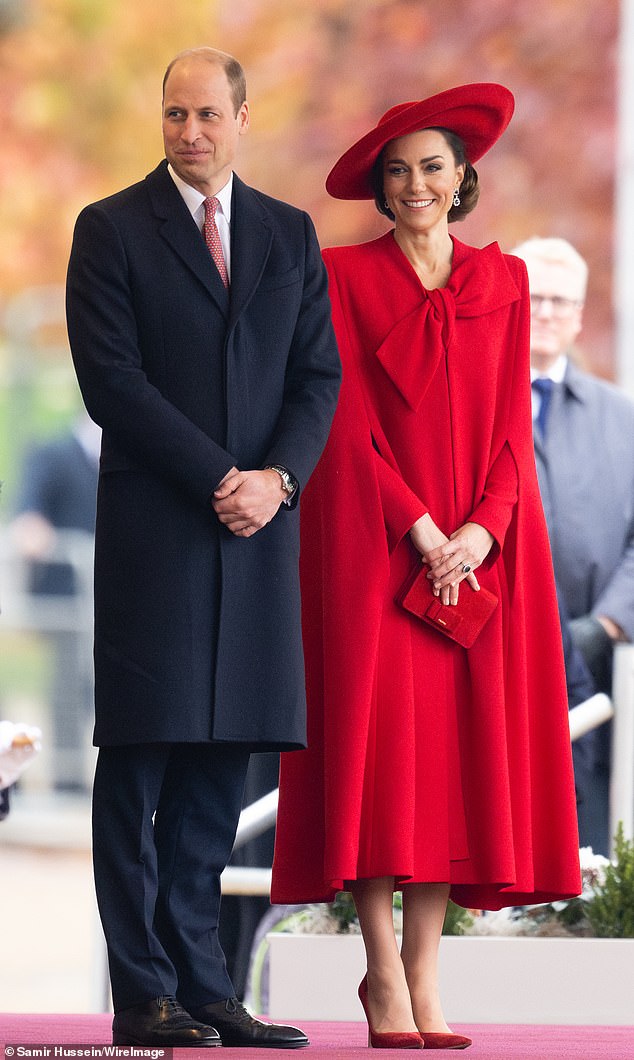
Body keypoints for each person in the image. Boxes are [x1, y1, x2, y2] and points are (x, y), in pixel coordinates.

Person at [271, 85, 581, 1050]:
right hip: (377, 548)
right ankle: (377, 972)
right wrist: (418, 529)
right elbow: (345, 419)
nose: (415, 184)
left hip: (479, 557)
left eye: (432, 167)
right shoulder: (339, 273)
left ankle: (422, 976)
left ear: (462, 178)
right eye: (397, 169)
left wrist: (482, 533)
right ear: (378, 183)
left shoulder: (507, 282)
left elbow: (509, 431)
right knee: (378, 755)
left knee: (448, 766)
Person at [66, 46, 340, 1048]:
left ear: (241, 117)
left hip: (260, 538)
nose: (188, 132)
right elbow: (113, 382)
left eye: (206, 115)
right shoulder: (108, 231)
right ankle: (143, 995)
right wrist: (221, 476)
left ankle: (205, 986)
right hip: (160, 536)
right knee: (139, 761)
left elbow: (318, 377)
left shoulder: (289, 234)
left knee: (220, 770)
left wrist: (277, 480)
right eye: (174, 114)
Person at [512, 236, 634, 855]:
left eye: (562, 300)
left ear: (581, 314)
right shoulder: (466, 400)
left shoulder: (623, 419)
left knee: (582, 834)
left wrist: (609, 623)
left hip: (593, 665)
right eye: (534, 296)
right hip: (493, 651)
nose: (549, 311)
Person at [12, 411, 100, 792]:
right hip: (67, 601)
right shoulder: (52, 454)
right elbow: (27, 515)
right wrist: (33, 530)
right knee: (67, 689)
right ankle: (68, 781)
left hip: (117, 602)